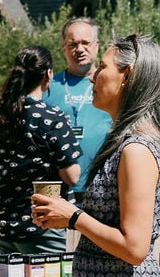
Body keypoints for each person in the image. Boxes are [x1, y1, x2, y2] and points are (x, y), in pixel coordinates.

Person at [30, 34, 160, 277]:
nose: (93, 76)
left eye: (102, 67)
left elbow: (134, 248)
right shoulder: (128, 141)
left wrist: (73, 217)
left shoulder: (137, 149)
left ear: (128, 76)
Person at [0, 46, 82, 255]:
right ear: (48, 74)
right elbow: (71, 176)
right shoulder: (52, 117)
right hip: (44, 224)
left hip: (6, 223)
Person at [43, 17, 112, 200]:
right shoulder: (48, 86)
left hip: (102, 188)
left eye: (85, 43)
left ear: (96, 45)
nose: (79, 49)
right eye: (73, 44)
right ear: (63, 48)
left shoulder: (111, 84)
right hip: (57, 190)